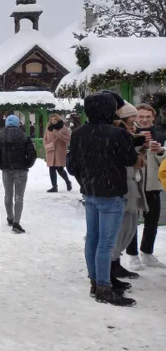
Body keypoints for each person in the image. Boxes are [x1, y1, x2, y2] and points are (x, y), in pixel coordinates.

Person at [67, 91, 139, 306]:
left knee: (93, 239)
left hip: (90, 192)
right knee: (105, 243)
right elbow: (130, 159)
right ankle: (104, 288)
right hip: (111, 193)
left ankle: (95, 282)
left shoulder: (79, 133)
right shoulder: (117, 134)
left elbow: (72, 165)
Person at [109, 103, 147, 287]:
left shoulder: (132, 132)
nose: (136, 120)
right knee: (122, 227)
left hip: (133, 183)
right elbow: (122, 157)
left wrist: (142, 147)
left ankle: (115, 262)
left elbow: (138, 162)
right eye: (132, 117)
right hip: (122, 186)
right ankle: (111, 265)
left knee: (131, 226)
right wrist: (135, 146)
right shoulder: (116, 134)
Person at [126, 103, 165, 269]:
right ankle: (132, 255)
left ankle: (147, 252)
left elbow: (164, 161)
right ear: (135, 117)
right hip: (134, 182)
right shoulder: (127, 132)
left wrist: (160, 151)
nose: (144, 120)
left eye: (148, 117)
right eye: (140, 116)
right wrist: (140, 145)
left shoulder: (161, 134)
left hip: (152, 182)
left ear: (153, 118)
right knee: (132, 219)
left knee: (152, 219)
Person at [0, 114, 38, 234]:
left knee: (8, 195)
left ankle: (10, 217)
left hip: (6, 169)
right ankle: (16, 222)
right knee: (19, 196)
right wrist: (27, 164)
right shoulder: (23, 135)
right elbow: (32, 154)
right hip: (21, 169)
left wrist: (1, 164)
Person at [44, 113, 72, 192]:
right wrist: (46, 145)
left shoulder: (64, 128)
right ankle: (54, 186)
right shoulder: (48, 128)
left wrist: (58, 134)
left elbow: (68, 139)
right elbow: (45, 138)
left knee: (60, 169)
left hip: (60, 151)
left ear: (58, 119)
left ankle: (68, 182)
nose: (53, 121)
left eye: (55, 119)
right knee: (51, 168)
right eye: (52, 120)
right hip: (50, 150)